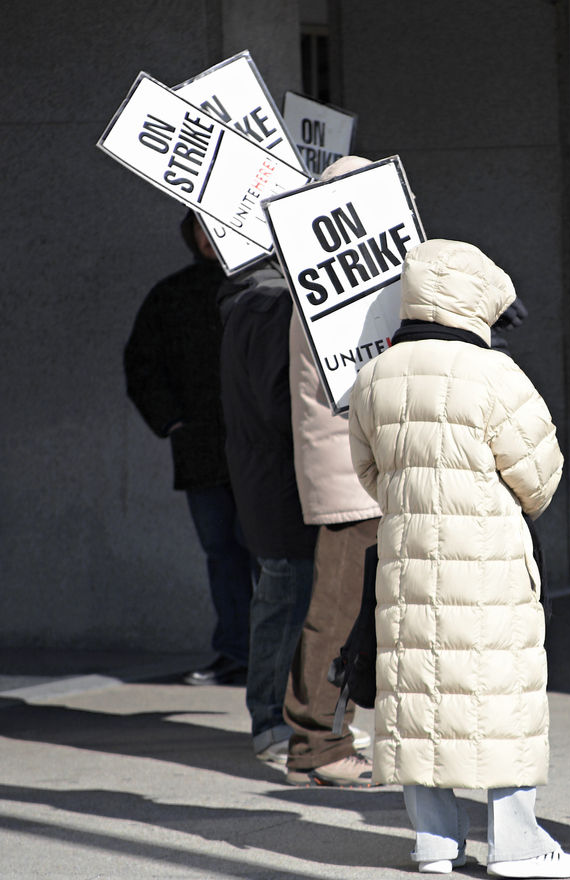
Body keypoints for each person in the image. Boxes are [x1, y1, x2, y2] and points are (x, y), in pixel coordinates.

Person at [347, 239, 570, 879]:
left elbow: (368, 471)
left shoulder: (374, 375)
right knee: (494, 694)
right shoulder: (494, 375)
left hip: (407, 560)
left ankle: (434, 841)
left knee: (420, 695)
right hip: (487, 563)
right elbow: (540, 475)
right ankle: (515, 842)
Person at [282, 155, 381, 789]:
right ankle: (316, 745)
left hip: (353, 472)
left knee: (350, 610)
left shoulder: (333, 287)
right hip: (350, 477)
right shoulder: (336, 296)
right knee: (337, 612)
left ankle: (329, 728)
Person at [124, 211, 252, 687]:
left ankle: (278, 657)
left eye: (216, 225)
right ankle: (237, 652)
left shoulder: (265, 289)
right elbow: (142, 364)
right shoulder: (171, 295)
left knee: (267, 553)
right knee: (222, 551)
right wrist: (173, 422)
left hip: (258, 446)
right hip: (200, 447)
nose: (209, 236)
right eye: (200, 226)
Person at [217, 255, 317, 763]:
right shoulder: (271, 305)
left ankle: (286, 720)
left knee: (288, 594)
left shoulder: (258, 302)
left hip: (274, 476)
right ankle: (273, 723)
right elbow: (281, 405)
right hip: (281, 480)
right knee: (285, 596)